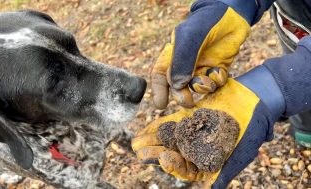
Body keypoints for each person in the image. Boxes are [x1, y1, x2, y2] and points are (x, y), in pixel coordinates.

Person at [132, 0, 311, 188]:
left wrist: (281, 84)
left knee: (297, 87)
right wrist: (233, 4)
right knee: (302, 108)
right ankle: (305, 128)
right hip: (296, 16)